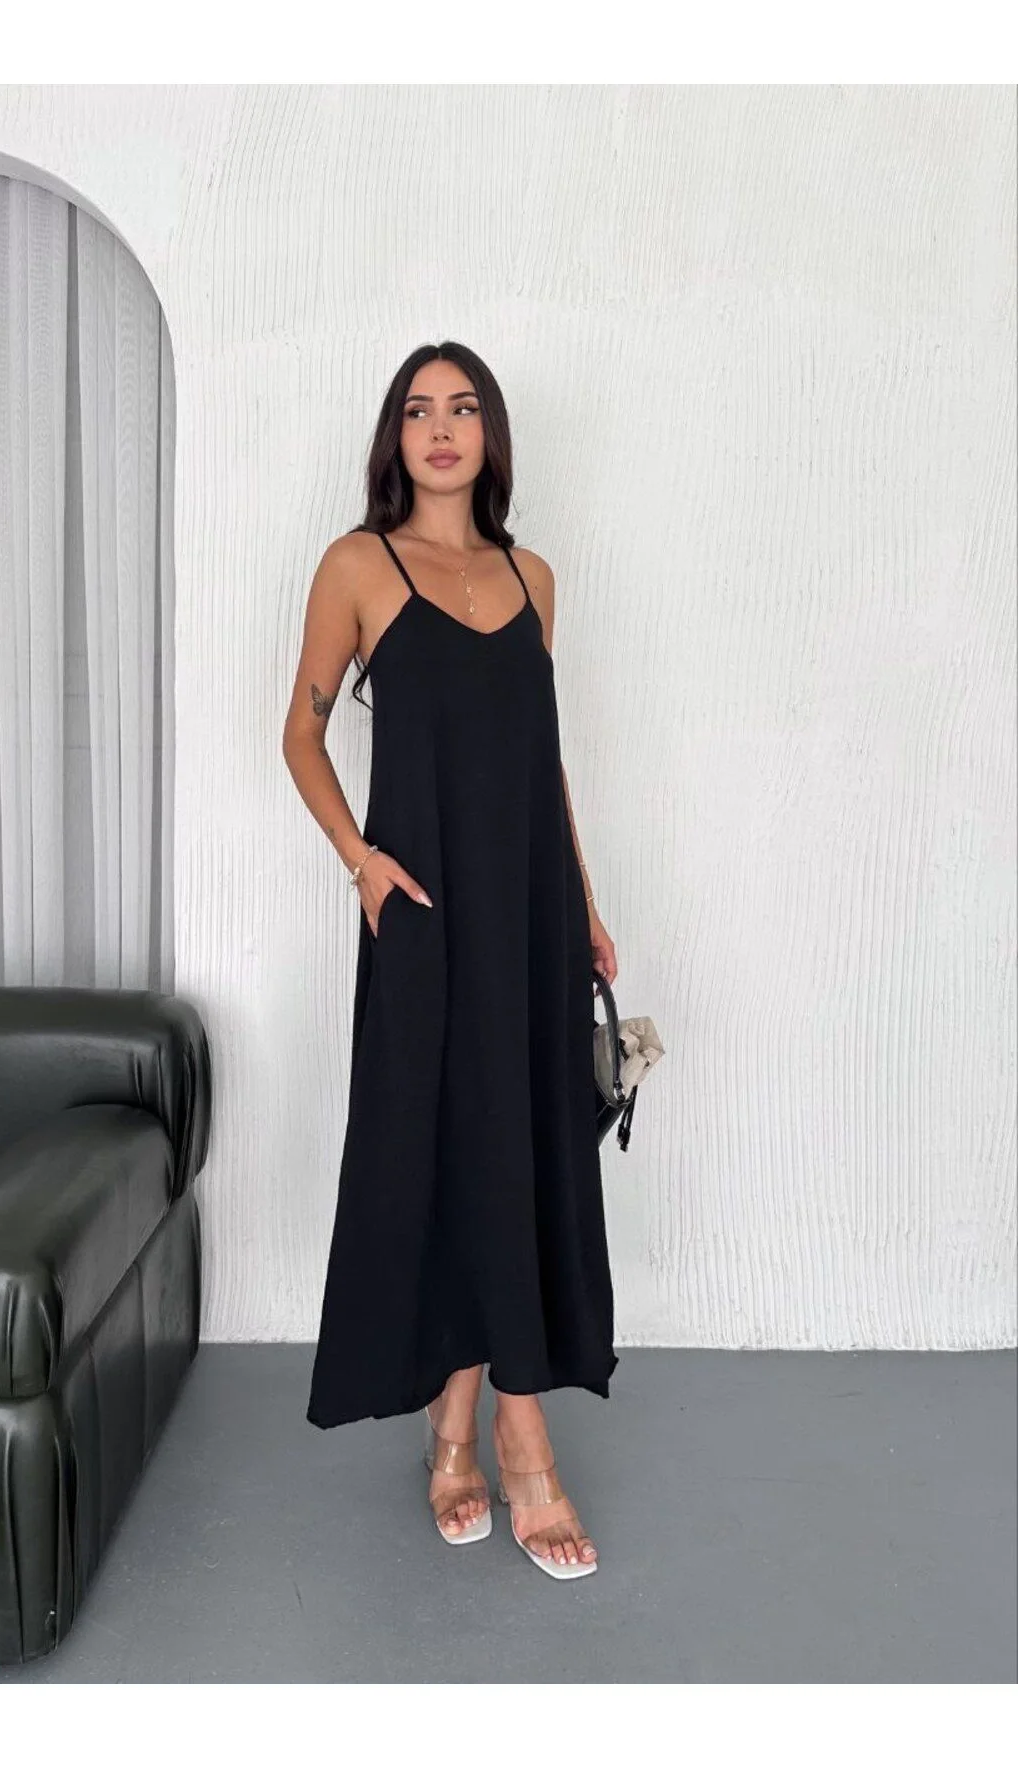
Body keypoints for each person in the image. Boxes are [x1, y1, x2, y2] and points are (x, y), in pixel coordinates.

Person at [281, 341, 619, 1579]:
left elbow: (542, 760)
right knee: (442, 1148)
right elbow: (301, 734)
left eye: (463, 408)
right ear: (396, 437)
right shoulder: (358, 567)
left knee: (515, 1149)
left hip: (530, 915)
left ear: (489, 435)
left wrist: (585, 906)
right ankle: (502, 1440)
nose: (440, 428)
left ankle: (473, 1432)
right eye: (419, 410)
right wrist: (361, 862)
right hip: (422, 914)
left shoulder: (533, 577)